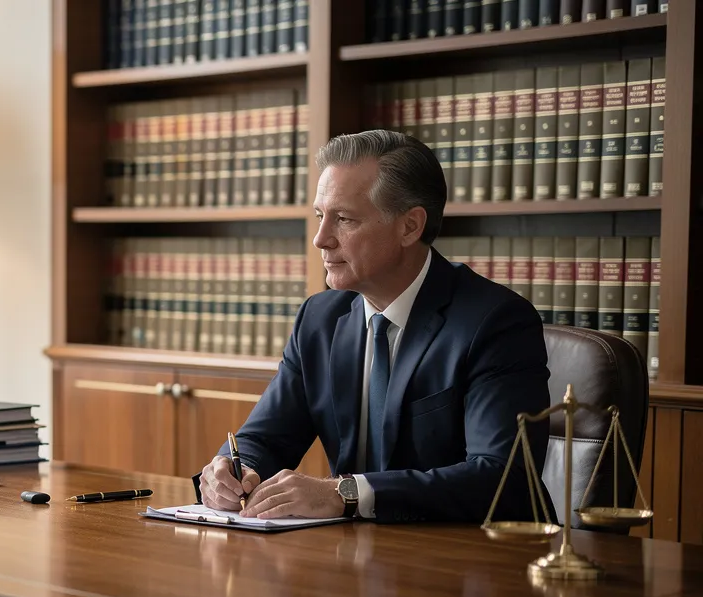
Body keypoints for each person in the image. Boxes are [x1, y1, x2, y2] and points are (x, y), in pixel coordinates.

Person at [198, 130, 550, 524]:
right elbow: (263, 439)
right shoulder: (319, 318)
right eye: (320, 216)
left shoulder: (495, 322)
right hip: (352, 550)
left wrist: (345, 493)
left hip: (467, 551)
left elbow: (502, 478)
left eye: (343, 219)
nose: (320, 239)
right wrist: (231, 472)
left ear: (410, 227)